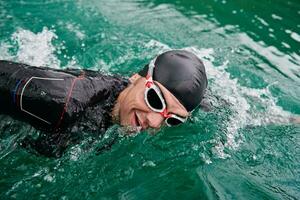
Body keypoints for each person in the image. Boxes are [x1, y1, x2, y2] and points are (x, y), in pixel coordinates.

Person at [0, 50, 208, 157]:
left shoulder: (131, 106)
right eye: (155, 99)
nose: (154, 122)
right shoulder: (61, 102)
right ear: (136, 77)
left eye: (172, 119)